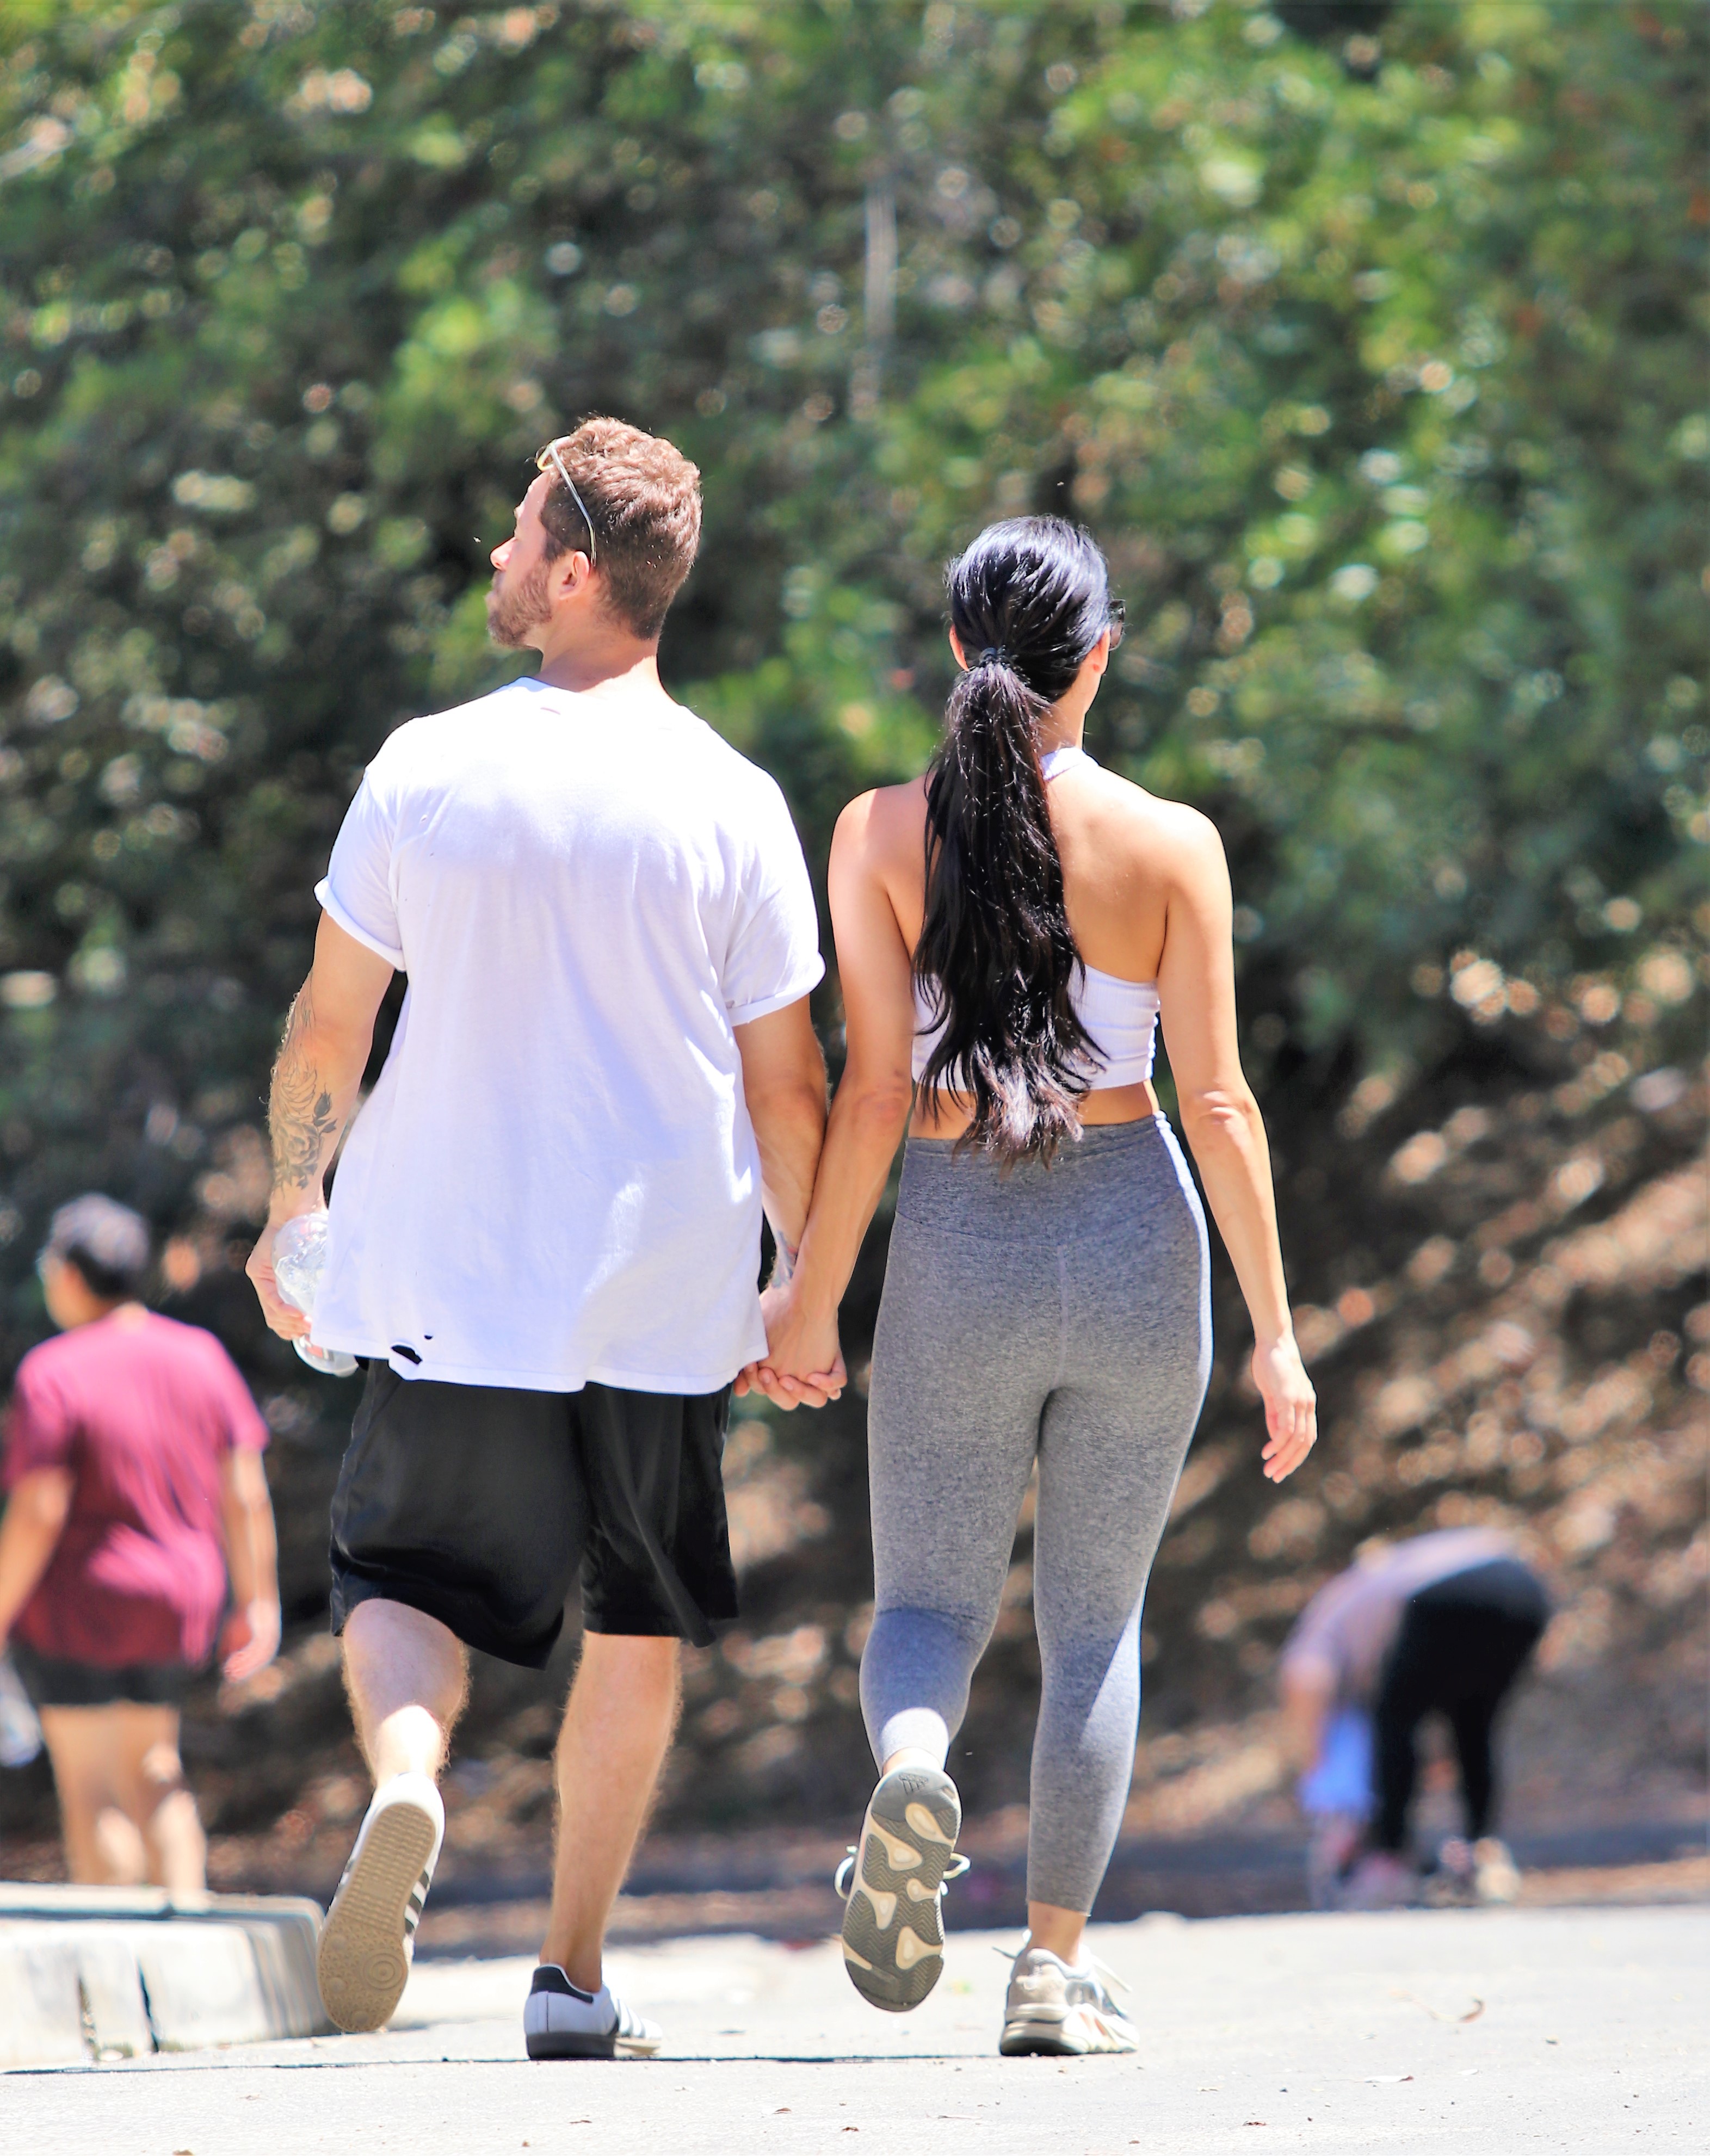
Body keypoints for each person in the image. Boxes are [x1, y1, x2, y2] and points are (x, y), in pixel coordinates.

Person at [245, 417, 830, 2058]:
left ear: (575, 574)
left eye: (517, 538)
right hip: (664, 1295)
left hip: (445, 1279)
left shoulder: (429, 767)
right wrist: (807, 1281)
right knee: (635, 1623)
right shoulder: (732, 799)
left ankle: (414, 1782)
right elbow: (795, 1092)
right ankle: (572, 1978)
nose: (498, 559)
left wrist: (297, 1203)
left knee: (397, 1571)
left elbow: (328, 1024)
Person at [747, 517, 1317, 2058]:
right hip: (1138, 1241)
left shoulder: (874, 833)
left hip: (950, 1243)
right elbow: (1218, 1107)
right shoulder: (1168, 841)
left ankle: (912, 1768)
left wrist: (807, 1296)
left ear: (953, 653)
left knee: (927, 1602)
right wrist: (1276, 1337)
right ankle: (1049, 1973)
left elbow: (869, 1093)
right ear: (1100, 658)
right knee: (1094, 1622)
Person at [0, 1194, 280, 1892]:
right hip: (178, 1599)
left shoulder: (53, 1371)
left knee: (90, 1782)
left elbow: (39, 1509)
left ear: (67, 1276)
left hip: (81, 1603)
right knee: (157, 1766)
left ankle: (119, 1960)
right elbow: (244, 1493)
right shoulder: (200, 1357)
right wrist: (258, 1600)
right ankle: (188, 1932)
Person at [1279, 1527, 1550, 1908]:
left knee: (1391, 1720)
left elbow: (1306, 1674)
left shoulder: (1332, 1608)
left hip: (1448, 1595)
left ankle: (1387, 1860)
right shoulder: (1390, 1574)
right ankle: (1482, 1853)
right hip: (1524, 1589)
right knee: (1473, 1723)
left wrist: (1313, 1761)